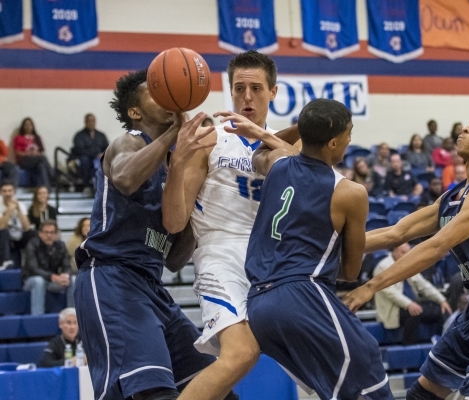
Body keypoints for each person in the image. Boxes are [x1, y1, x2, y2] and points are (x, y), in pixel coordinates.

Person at [343, 107, 469, 400]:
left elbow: (437, 245)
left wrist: (370, 287)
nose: (465, 129)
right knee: (426, 390)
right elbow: (396, 233)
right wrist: (330, 246)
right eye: (468, 124)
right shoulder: (455, 195)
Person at [74, 70, 219, 400]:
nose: (167, 99)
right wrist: (174, 134)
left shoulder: (175, 165)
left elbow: (174, 259)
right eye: (156, 93)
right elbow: (125, 178)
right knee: (149, 392)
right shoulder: (127, 142)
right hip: (111, 277)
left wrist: (201, 207)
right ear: (134, 112)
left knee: (213, 387)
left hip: (152, 286)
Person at [162, 51, 300, 400]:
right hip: (219, 253)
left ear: (273, 92)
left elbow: (316, 180)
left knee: (318, 358)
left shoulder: (286, 145)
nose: (247, 97)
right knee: (241, 353)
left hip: (270, 259)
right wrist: (177, 166)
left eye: (256, 88)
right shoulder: (210, 139)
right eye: (239, 88)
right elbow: (174, 222)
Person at [244, 98, 394, 400]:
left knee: (335, 390)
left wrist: (305, 125)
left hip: (258, 304)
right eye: (349, 134)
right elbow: (351, 271)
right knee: (367, 370)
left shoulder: (277, 164)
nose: (350, 141)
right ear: (334, 142)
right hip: (302, 295)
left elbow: (258, 152)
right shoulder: (350, 192)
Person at [373, 243, 452, 345]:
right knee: (414, 313)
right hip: (394, 308)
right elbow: (390, 292)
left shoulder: (408, 264)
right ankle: (409, 346)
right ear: (394, 250)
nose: (406, 256)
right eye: (403, 252)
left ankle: (442, 343)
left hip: (412, 303)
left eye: (408, 253)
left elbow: (423, 285)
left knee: (441, 309)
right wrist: (408, 304)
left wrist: (441, 300)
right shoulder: (383, 266)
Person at [22, 220, 73, 315]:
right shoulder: (32, 245)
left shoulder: (61, 245)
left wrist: (65, 276)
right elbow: (33, 269)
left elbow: (67, 266)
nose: (49, 235)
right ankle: (38, 317)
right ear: (40, 233)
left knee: (73, 279)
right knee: (38, 281)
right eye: (46, 232)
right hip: (30, 280)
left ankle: (72, 315)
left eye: (52, 232)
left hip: (52, 281)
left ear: (56, 234)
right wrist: (53, 277)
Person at [70, 113, 109, 188]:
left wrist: (103, 154)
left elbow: (107, 147)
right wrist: (95, 154)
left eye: (93, 121)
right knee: (84, 160)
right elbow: (79, 149)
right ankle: (87, 185)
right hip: (86, 159)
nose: (91, 123)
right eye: (89, 121)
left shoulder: (101, 135)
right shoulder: (79, 135)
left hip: (99, 159)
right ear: (85, 122)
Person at [13, 117, 53, 187]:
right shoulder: (19, 138)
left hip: (36, 159)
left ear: (33, 126)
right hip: (24, 160)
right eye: (26, 125)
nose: (28, 127)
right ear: (23, 126)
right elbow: (17, 152)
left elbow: (41, 151)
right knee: (42, 158)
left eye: (30, 125)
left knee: (41, 166)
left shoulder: (37, 137)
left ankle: (46, 189)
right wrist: (28, 153)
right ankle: (53, 176)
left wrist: (36, 154)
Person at [0, 181, 36, 259]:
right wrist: (9, 210)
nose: (7, 194)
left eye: (10, 191)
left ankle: (33, 262)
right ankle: (6, 261)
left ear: (14, 192)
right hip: (5, 238)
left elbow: (27, 228)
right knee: (3, 232)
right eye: (5, 191)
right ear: (1, 192)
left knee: (33, 234)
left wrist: (18, 210)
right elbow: (1, 226)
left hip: (18, 236)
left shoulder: (20, 204)